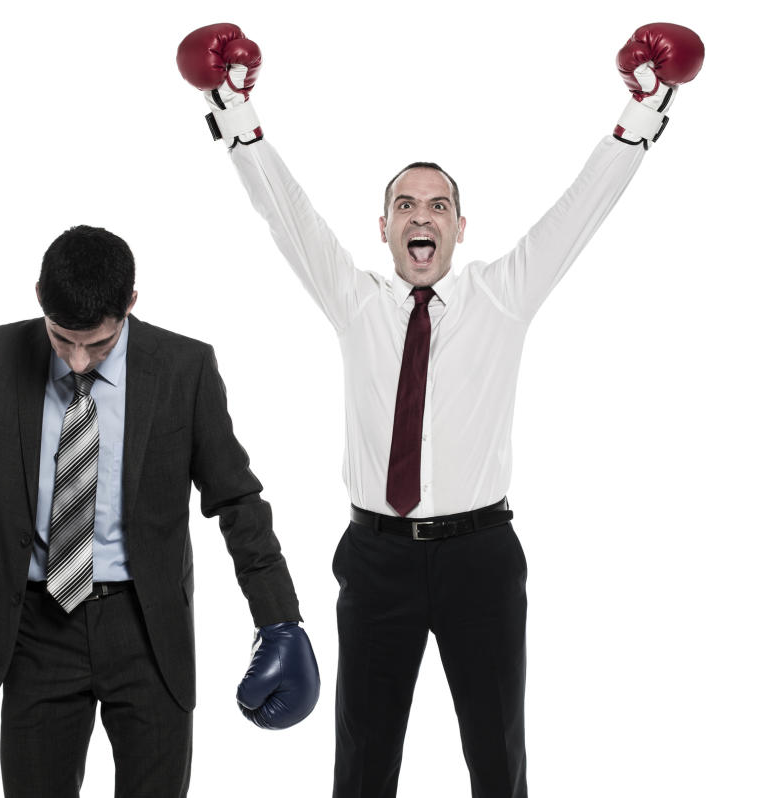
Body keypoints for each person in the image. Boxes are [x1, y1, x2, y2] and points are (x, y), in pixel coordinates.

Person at [177, 22, 704, 798]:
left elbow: (581, 210)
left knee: (498, 761)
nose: (420, 217)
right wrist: (234, 111)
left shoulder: (502, 295)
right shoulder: (355, 300)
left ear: (460, 228)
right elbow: (284, 213)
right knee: (363, 765)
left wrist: (643, 113)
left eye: (437, 206)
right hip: (375, 557)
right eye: (404, 205)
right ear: (384, 227)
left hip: (480, 558)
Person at [0, 224, 321, 798]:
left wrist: (279, 619)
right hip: (35, 627)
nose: (80, 360)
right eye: (64, 340)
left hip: (145, 628)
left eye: (100, 343)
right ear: (39, 296)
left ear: (131, 305)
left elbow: (236, 501)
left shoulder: (184, 369)